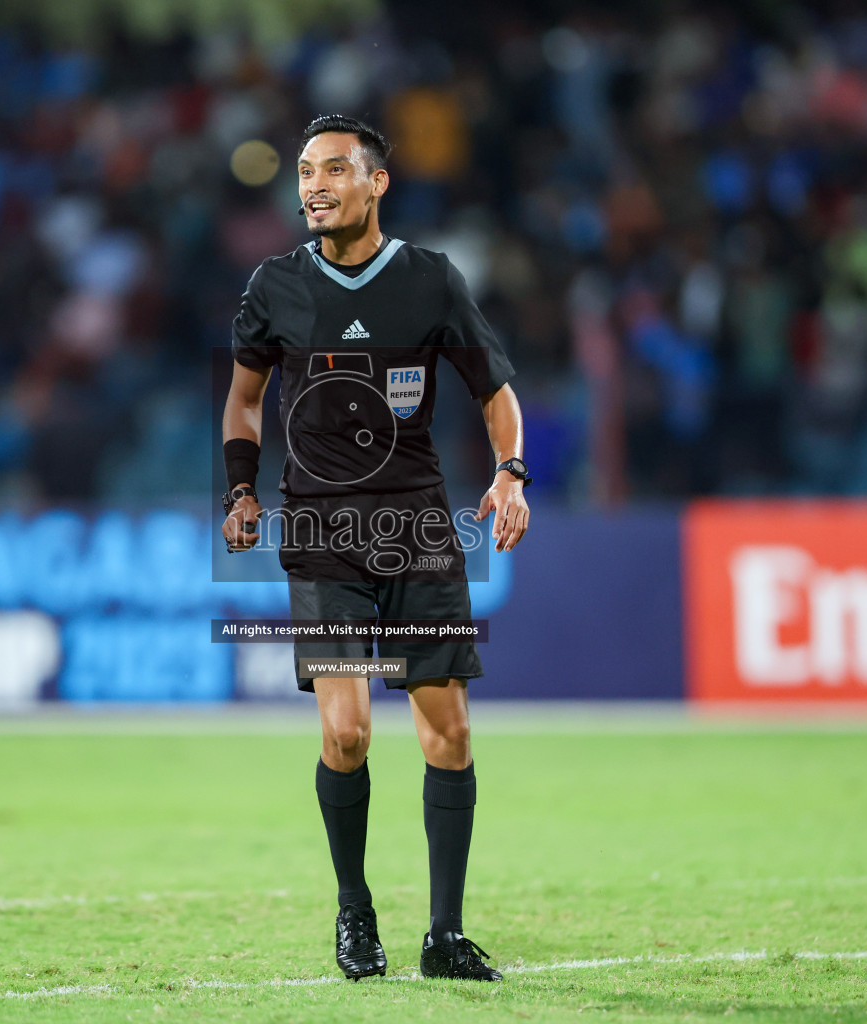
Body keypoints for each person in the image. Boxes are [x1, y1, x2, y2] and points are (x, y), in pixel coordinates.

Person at [220, 114, 530, 981]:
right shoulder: (274, 285)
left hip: (420, 530)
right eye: (304, 174)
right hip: (321, 532)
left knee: (449, 733)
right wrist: (241, 489)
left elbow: (496, 391)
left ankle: (444, 934)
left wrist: (511, 473)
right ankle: (355, 915)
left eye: (332, 171)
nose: (312, 186)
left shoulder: (429, 280)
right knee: (348, 733)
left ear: (376, 182)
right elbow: (244, 401)